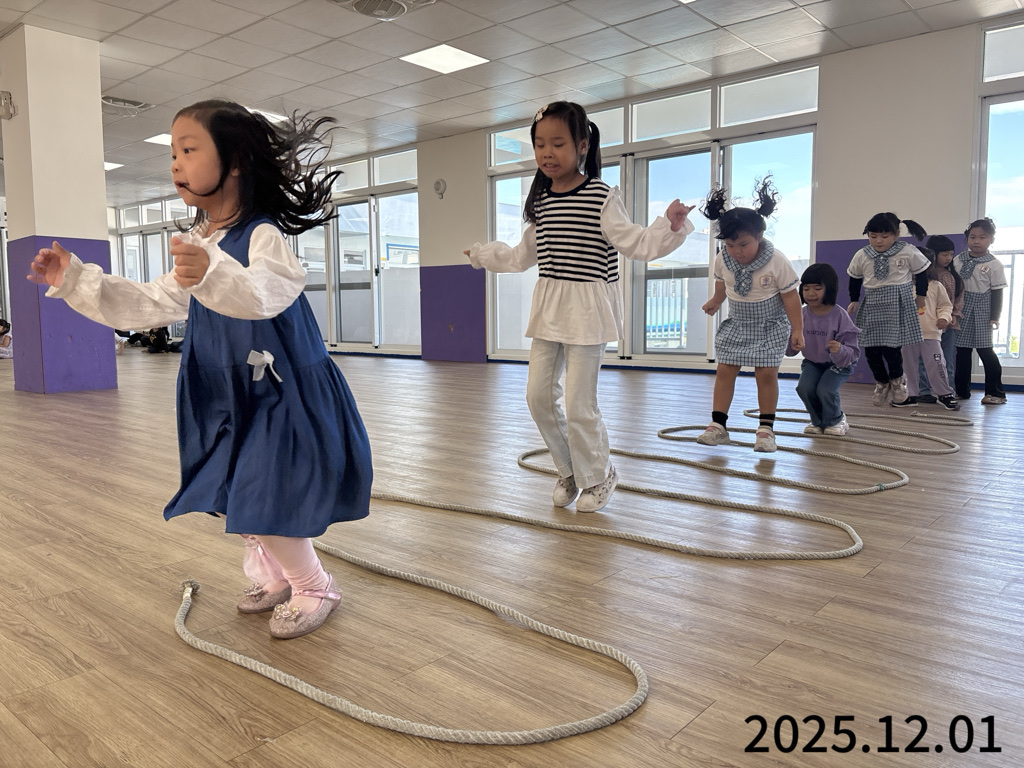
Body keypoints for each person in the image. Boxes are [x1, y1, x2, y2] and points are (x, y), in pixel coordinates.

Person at [29, 100, 373, 640]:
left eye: (188, 150)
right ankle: (278, 575)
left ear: (235, 162)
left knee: (263, 489)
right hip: (225, 386)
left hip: (277, 389)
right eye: (173, 153)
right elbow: (152, 301)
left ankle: (315, 584)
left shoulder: (260, 234)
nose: (175, 163)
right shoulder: (203, 242)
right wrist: (75, 279)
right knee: (234, 488)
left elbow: (266, 292)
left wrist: (211, 270)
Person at [464, 101, 695, 513]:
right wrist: (483, 255)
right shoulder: (542, 203)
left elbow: (636, 242)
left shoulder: (601, 196)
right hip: (550, 312)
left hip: (588, 312)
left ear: (582, 145)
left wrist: (670, 226)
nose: (547, 153)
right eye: (539, 145)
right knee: (537, 397)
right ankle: (569, 469)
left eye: (558, 143)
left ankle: (599, 475)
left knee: (578, 404)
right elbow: (520, 256)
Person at [696, 177, 803, 453]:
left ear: (759, 236)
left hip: (770, 325)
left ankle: (766, 430)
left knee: (765, 374)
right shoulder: (723, 258)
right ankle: (718, 425)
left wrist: (797, 329)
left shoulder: (776, 260)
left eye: (743, 244)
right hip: (739, 322)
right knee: (725, 370)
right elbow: (723, 283)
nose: (737, 251)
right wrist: (716, 300)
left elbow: (791, 297)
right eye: (731, 245)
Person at [846, 212, 930, 407]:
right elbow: (855, 278)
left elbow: (922, 272)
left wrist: (921, 296)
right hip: (873, 303)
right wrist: (854, 300)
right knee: (870, 348)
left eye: (884, 236)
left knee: (892, 348)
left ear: (896, 234)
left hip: (897, 304)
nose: (878, 241)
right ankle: (882, 382)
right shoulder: (862, 254)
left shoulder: (907, 251)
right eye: (873, 236)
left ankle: (897, 381)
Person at [785, 263, 860, 436]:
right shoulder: (801, 314)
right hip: (812, 362)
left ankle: (836, 420)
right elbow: (790, 350)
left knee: (826, 389)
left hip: (839, 364)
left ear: (829, 289)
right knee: (804, 388)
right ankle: (817, 421)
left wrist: (839, 350)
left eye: (817, 288)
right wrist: (791, 343)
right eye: (806, 289)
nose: (811, 293)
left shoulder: (839, 315)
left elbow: (853, 352)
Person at [898, 247, 959, 410]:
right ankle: (910, 395)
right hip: (907, 335)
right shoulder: (901, 286)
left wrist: (943, 318)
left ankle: (945, 394)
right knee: (908, 367)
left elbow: (945, 305)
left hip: (930, 333)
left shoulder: (936, 286)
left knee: (937, 365)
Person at [953, 217, 1007, 404]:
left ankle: (996, 393)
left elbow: (997, 292)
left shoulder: (994, 264)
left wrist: (995, 317)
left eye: (982, 237)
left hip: (983, 309)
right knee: (962, 351)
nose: (976, 241)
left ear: (991, 239)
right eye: (972, 237)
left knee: (986, 351)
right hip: (962, 308)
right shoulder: (958, 260)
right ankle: (962, 391)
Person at [915, 235, 963, 403]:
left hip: (947, 326)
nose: (948, 258)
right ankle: (922, 391)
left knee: (945, 361)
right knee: (921, 361)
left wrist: (952, 316)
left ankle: (947, 392)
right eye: (944, 254)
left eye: (951, 254)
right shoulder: (923, 280)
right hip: (927, 327)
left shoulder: (950, 276)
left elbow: (954, 300)